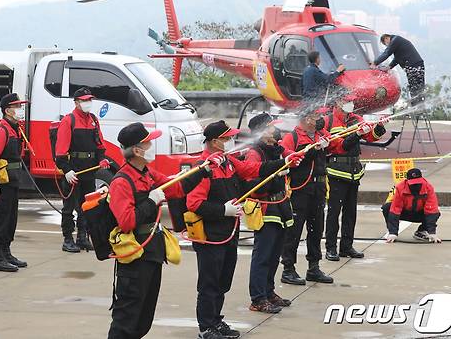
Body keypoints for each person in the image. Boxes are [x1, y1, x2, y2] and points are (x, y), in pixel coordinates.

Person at [186, 120, 302, 337]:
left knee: (223, 282)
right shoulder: (203, 168)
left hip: (229, 233)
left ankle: (216, 321)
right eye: (227, 138)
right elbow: (194, 203)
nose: (231, 141)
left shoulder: (227, 162)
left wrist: (284, 161)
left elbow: (253, 168)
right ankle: (206, 327)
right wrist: (223, 210)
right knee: (209, 284)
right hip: (211, 237)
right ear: (214, 142)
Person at [107, 122, 215, 339]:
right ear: (137, 150)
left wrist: (201, 170)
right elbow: (127, 221)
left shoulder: (147, 172)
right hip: (135, 255)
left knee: (144, 314)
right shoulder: (121, 181)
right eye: (149, 143)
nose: (153, 146)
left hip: (152, 253)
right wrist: (150, 201)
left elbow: (175, 188)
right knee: (127, 316)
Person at [280, 108, 342, 285]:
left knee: (316, 229)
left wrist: (358, 134)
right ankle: (288, 269)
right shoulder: (292, 138)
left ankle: (313, 267)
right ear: (307, 119)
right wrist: (314, 150)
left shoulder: (320, 134)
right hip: (300, 189)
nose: (320, 120)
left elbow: (339, 146)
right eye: (317, 117)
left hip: (319, 187)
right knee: (294, 230)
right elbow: (291, 162)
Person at [324, 97, 386, 261]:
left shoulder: (357, 119)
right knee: (333, 212)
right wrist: (357, 134)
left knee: (350, 212)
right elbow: (339, 146)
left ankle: (346, 246)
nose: (350, 104)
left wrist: (379, 127)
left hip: (354, 172)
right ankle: (331, 248)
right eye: (346, 101)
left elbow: (371, 137)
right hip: (336, 172)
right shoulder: (329, 121)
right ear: (338, 103)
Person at [244, 114, 294, 314]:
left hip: (280, 206)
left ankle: (269, 292)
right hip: (265, 208)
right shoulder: (254, 153)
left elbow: (293, 156)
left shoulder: (275, 149)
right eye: (271, 127)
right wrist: (275, 175)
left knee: (274, 255)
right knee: (263, 255)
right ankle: (257, 298)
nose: (275, 130)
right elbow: (251, 185)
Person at [55, 87, 108, 253]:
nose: (88, 103)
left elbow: (100, 144)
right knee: (69, 207)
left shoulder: (93, 119)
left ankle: (83, 237)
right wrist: (66, 170)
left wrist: (101, 159)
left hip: (89, 170)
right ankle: (68, 239)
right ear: (77, 102)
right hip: (73, 171)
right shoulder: (68, 121)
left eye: (89, 100)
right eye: (84, 100)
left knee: (87, 205)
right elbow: (60, 151)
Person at [0, 93, 28, 271]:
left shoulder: (15, 129)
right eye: (17, 107)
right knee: (1, 219)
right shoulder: (1, 131)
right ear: (7, 110)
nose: (20, 110)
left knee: (11, 219)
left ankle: (6, 252)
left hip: (13, 182)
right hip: (2, 185)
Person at [382, 168, 441, 244]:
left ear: (421, 179)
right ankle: (391, 232)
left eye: (417, 182)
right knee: (387, 208)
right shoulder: (400, 187)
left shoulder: (428, 187)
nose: (415, 185)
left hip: (420, 214)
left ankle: (421, 231)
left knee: (436, 213)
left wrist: (432, 233)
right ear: (407, 181)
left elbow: (431, 210)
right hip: (405, 212)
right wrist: (393, 233)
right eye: (413, 183)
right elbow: (395, 209)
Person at [372, 34, 425, 105]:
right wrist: (388, 67)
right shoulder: (398, 42)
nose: (387, 46)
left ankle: (417, 106)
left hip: (413, 66)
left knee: (415, 88)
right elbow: (397, 58)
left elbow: (387, 53)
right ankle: (420, 105)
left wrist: (375, 63)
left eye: (386, 43)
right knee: (417, 88)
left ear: (387, 38)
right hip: (416, 65)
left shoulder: (395, 40)